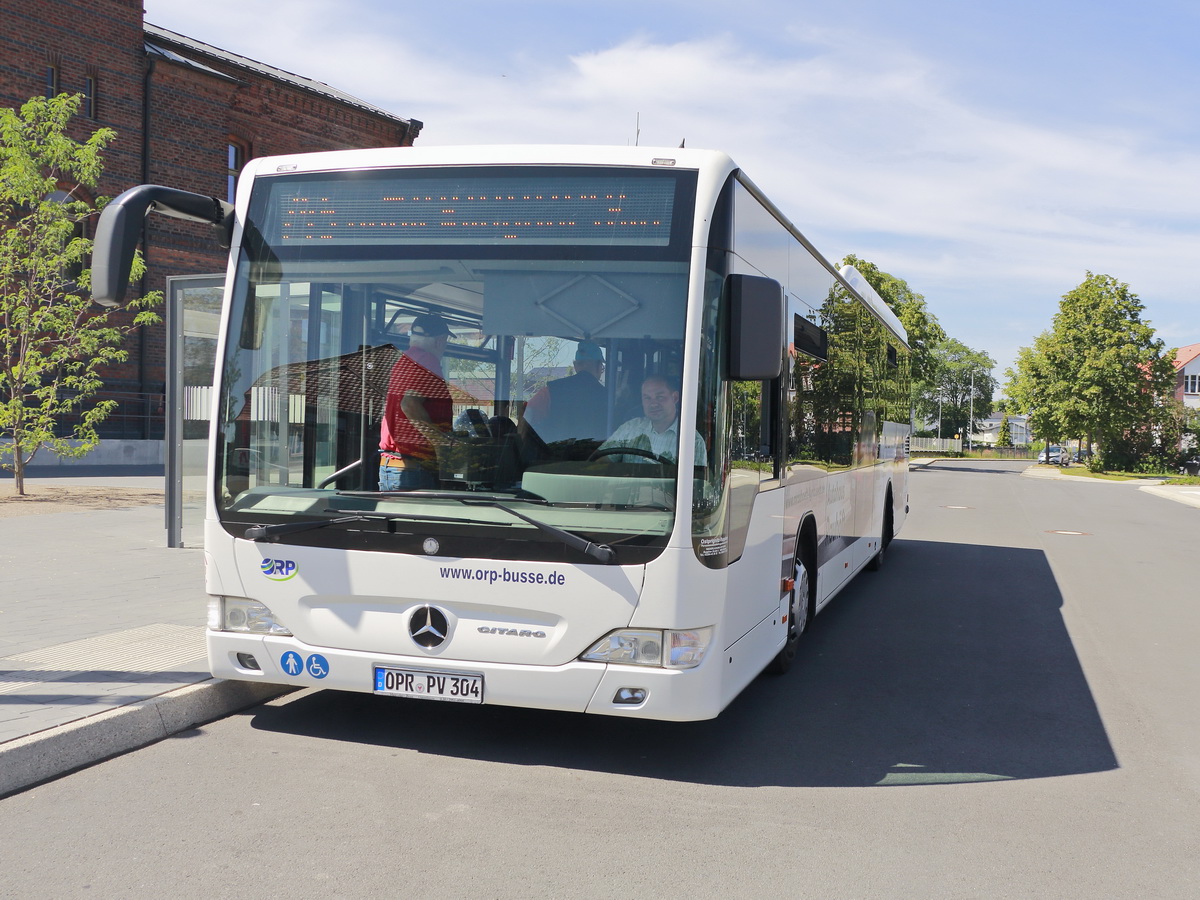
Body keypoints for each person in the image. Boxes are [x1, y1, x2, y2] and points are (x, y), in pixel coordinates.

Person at [379, 314, 454, 489]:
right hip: (414, 468)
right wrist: (443, 445)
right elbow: (409, 405)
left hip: (393, 466)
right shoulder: (427, 361)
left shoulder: (404, 361)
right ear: (441, 340)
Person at [598, 374, 707, 466]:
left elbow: (694, 485)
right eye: (647, 398)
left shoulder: (693, 441)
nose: (653, 404)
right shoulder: (630, 429)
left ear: (675, 398)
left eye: (659, 397)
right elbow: (601, 461)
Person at [522, 340, 608, 444]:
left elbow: (527, 420)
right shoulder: (608, 396)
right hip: (596, 457)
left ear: (576, 366)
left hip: (556, 457)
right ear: (599, 366)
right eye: (602, 367)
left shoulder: (550, 390)